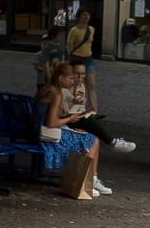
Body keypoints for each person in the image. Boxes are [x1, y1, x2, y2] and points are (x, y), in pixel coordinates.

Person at [40, 60, 136, 192]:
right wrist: (71, 118)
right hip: (46, 135)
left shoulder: (49, 88)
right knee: (93, 140)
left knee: (91, 132)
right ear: (61, 78)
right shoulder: (56, 93)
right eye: (71, 78)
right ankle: (87, 181)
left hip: (40, 130)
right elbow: (51, 122)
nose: (74, 81)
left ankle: (92, 179)